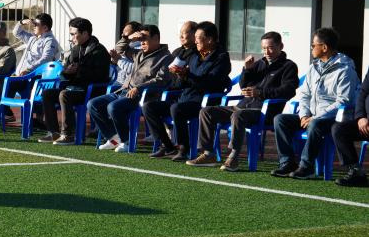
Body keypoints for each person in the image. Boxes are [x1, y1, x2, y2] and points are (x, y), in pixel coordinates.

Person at [186, 31, 299, 170]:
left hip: (264, 111)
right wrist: (247, 69)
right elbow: (244, 85)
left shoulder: (288, 66)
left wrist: (261, 93)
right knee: (206, 111)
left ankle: (233, 157)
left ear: (281, 46)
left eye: (270, 48)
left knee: (238, 115)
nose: (267, 52)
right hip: (242, 106)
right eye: (264, 48)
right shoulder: (259, 64)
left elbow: (289, 91)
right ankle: (208, 153)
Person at [272, 28, 358, 180]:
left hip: (333, 118)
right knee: (280, 119)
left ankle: (306, 167)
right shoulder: (314, 67)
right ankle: (287, 163)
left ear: (324, 47)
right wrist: (304, 114)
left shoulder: (345, 69)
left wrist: (315, 117)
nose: (311, 48)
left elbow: (343, 101)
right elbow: (304, 94)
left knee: (316, 124)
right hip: (311, 116)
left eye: (313, 45)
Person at [145, 21, 231, 161]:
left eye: (198, 37)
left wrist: (187, 75)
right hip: (185, 98)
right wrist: (179, 75)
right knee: (149, 107)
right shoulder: (196, 56)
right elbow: (183, 83)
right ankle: (167, 146)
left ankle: (183, 148)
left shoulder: (221, 58)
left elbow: (209, 84)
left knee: (176, 108)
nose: (195, 40)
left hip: (204, 102)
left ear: (209, 39)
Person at [87, 24, 172, 152]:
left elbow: (160, 80)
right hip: (123, 90)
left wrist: (139, 88)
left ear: (156, 38)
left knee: (113, 107)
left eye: (145, 38)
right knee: (93, 104)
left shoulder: (166, 57)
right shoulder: (139, 54)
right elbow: (119, 49)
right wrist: (127, 38)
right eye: (140, 38)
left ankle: (126, 141)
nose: (142, 41)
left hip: (142, 95)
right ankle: (114, 138)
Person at [38, 17, 110, 145]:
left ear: (85, 33)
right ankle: (53, 132)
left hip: (92, 91)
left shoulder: (99, 51)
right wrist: (67, 72)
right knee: (47, 93)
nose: (71, 38)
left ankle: (68, 134)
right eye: (70, 34)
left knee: (64, 94)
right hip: (74, 88)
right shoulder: (76, 49)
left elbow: (101, 76)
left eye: (73, 34)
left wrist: (79, 71)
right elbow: (65, 73)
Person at [331, 64, 369, 186]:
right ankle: (356, 171)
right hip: (366, 122)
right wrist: (361, 117)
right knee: (339, 129)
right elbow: (362, 93)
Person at [110, 21, 142, 85]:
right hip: (117, 81)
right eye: (122, 32)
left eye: (126, 34)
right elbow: (117, 49)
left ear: (135, 34)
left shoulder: (140, 49)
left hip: (128, 86)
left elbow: (136, 69)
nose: (122, 35)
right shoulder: (125, 45)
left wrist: (118, 60)